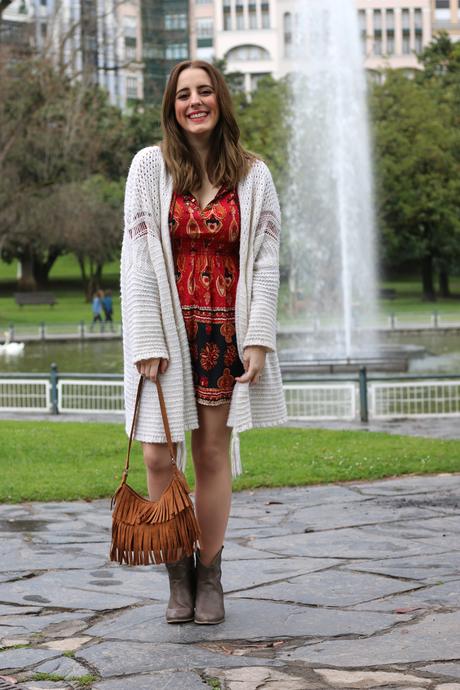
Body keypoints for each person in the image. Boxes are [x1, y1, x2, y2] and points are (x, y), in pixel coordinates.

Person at [120, 60, 287, 625]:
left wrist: (259, 338)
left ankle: (210, 574)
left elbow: (265, 263)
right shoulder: (148, 167)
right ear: (171, 105)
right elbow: (138, 256)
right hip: (166, 331)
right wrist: (144, 334)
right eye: (183, 94)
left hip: (225, 331)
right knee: (157, 456)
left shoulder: (254, 174)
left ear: (220, 100)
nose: (195, 102)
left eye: (205, 91)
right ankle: (178, 575)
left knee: (212, 455)